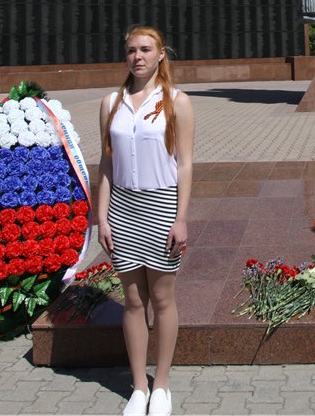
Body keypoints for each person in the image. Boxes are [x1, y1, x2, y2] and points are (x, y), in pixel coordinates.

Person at [98, 26, 195, 416]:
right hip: (122, 209)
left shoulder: (177, 102)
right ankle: (139, 387)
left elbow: (186, 164)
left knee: (162, 298)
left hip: (161, 208)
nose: (137, 57)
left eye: (145, 49)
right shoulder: (110, 102)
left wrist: (181, 217)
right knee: (133, 300)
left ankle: (163, 385)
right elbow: (106, 163)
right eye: (131, 51)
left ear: (160, 55)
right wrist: (101, 218)